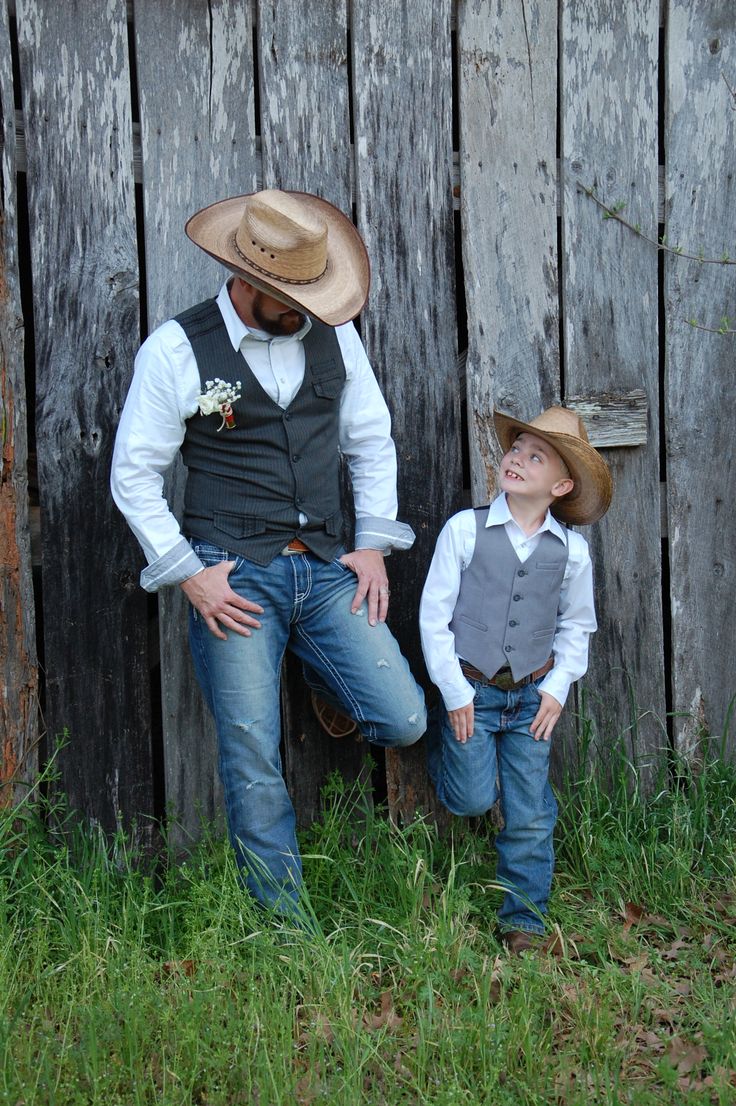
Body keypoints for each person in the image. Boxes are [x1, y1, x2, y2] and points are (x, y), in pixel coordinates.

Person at [111, 189, 426, 918]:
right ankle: (286, 929)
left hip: (323, 569)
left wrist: (374, 544)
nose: (309, 314)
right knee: (253, 757)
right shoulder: (177, 349)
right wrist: (190, 575)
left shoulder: (333, 332)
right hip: (234, 573)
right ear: (251, 283)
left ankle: (325, 678)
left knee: (404, 717)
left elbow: (370, 438)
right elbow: (134, 473)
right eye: (295, 301)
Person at [419, 407, 612, 953]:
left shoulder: (571, 552)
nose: (517, 459)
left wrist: (557, 687)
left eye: (535, 456)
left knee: (529, 812)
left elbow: (578, 625)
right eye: (515, 449)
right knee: (473, 799)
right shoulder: (464, 529)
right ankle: (447, 753)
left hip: (532, 698)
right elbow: (434, 618)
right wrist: (454, 690)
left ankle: (524, 920)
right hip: (472, 691)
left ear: (562, 485)